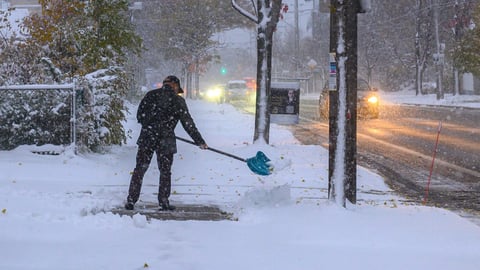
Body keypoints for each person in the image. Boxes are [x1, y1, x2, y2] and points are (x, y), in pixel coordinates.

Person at [125, 75, 208, 211]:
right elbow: (188, 124)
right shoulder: (178, 101)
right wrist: (200, 141)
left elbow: (140, 116)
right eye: (177, 88)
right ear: (174, 86)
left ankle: (131, 200)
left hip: (147, 137)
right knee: (165, 171)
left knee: (140, 169)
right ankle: (163, 201)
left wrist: (151, 126)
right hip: (166, 140)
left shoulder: (151, 95)